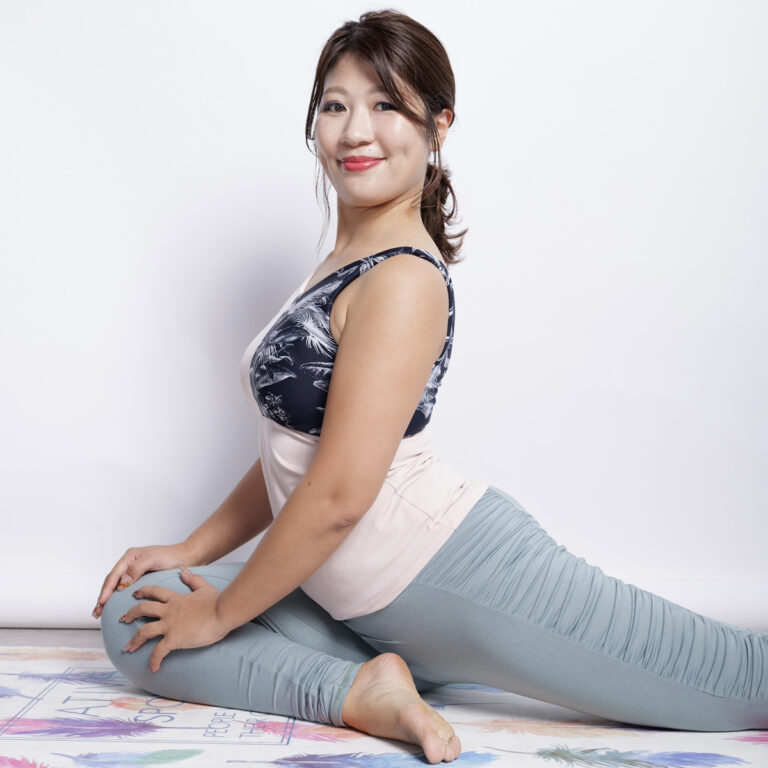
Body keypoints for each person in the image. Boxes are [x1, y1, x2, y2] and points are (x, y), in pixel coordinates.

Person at [95, 9, 768, 765]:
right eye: (336, 105)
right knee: (136, 619)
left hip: (458, 576)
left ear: (437, 125)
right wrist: (193, 548)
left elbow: (340, 494)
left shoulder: (403, 278)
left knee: (739, 679)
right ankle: (367, 688)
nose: (356, 131)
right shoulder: (345, 256)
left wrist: (222, 614)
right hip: (358, 607)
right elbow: (301, 451)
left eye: (386, 105)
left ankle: (371, 682)